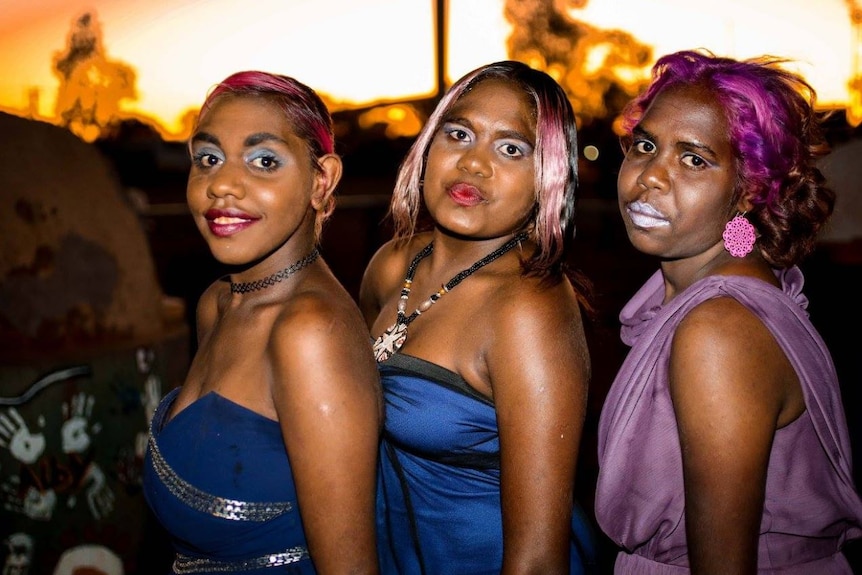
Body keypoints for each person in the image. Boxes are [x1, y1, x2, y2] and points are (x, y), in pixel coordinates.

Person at [595, 49, 862, 573]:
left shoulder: (719, 330)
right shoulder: (740, 289)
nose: (650, 176)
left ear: (749, 191)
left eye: (693, 159)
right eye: (644, 146)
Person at [359, 60, 597, 574]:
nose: (473, 164)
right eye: (459, 133)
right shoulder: (391, 265)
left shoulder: (527, 308)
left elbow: (537, 559)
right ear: (428, 145)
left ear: (547, 177)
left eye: (511, 148)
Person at [142, 71, 382, 574]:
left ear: (322, 180)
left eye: (264, 161)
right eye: (207, 159)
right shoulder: (217, 305)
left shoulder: (311, 333)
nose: (222, 184)